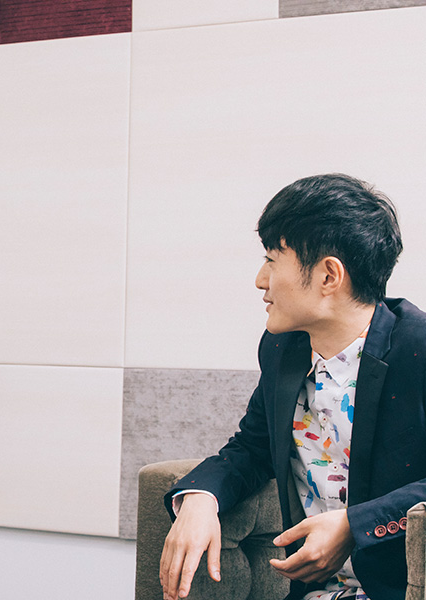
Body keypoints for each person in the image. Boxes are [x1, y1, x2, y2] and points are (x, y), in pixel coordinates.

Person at [159, 174, 426, 600]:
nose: (260, 280)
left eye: (272, 260)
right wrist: (200, 496)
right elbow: (253, 447)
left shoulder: (417, 348)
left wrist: (354, 525)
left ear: (328, 276)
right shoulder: (283, 348)